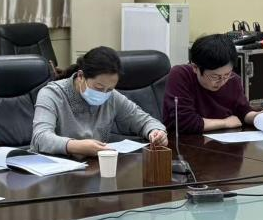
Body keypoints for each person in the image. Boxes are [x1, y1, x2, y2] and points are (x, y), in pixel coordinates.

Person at [31, 46, 167, 157]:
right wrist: (76, 146)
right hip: (54, 171)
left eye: (110, 89)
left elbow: (144, 121)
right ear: (81, 76)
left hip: (94, 168)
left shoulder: (111, 97)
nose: (104, 94)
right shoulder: (52, 94)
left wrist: (156, 132)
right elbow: (40, 138)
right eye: (99, 88)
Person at [163, 33, 263, 135]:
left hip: (223, 141)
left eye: (227, 74)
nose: (222, 81)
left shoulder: (233, 80)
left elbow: (243, 112)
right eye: (215, 76)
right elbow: (183, 122)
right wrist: (225, 123)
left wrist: (259, 116)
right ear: (195, 68)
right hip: (184, 144)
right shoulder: (180, 75)